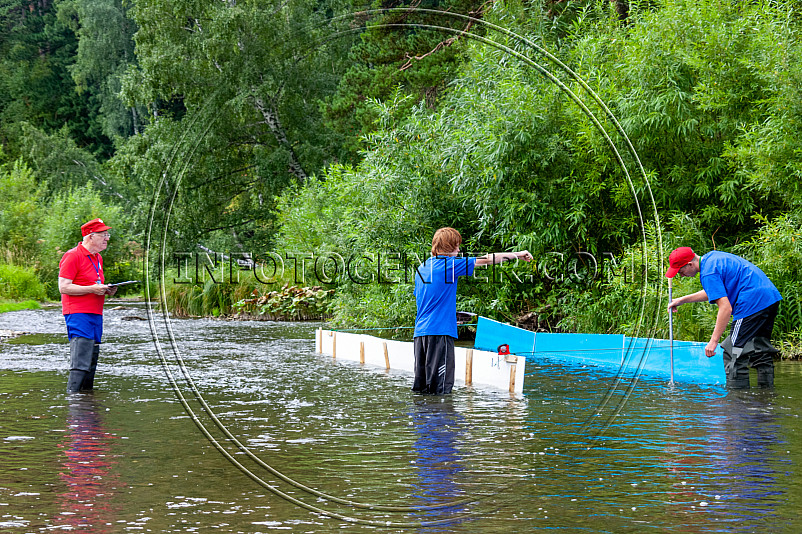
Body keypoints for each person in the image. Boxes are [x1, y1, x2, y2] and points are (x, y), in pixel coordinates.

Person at [413, 227, 532, 394]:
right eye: (456, 246)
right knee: (441, 390)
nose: (459, 250)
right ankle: (441, 420)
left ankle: (421, 420)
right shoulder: (449, 265)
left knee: (423, 390)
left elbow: (426, 302)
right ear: (448, 247)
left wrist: (449, 316)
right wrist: (517, 254)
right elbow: (487, 260)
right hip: (439, 334)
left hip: (420, 336)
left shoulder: (423, 268)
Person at [665, 247, 782, 388]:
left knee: (733, 352)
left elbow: (725, 308)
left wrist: (713, 341)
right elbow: (715, 290)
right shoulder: (712, 258)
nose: (681, 275)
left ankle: (737, 403)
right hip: (769, 298)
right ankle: (766, 397)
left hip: (751, 302)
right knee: (760, 349)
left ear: (690, 264)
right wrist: (682, 300)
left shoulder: (708, 272)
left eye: (681, 271)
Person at [58, 218, 118, 392]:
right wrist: (93, 288)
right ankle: (74, 404)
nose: (107, 238)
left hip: (95, 314)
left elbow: (93, 284)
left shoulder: (97, 257)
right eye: (104, 235)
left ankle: (86, 403)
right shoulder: (72, 255)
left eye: (108, 234)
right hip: (78, 313)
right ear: (91, 237)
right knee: (81, 361)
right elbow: (64, 287)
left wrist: (106, 290)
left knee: (91, 361)